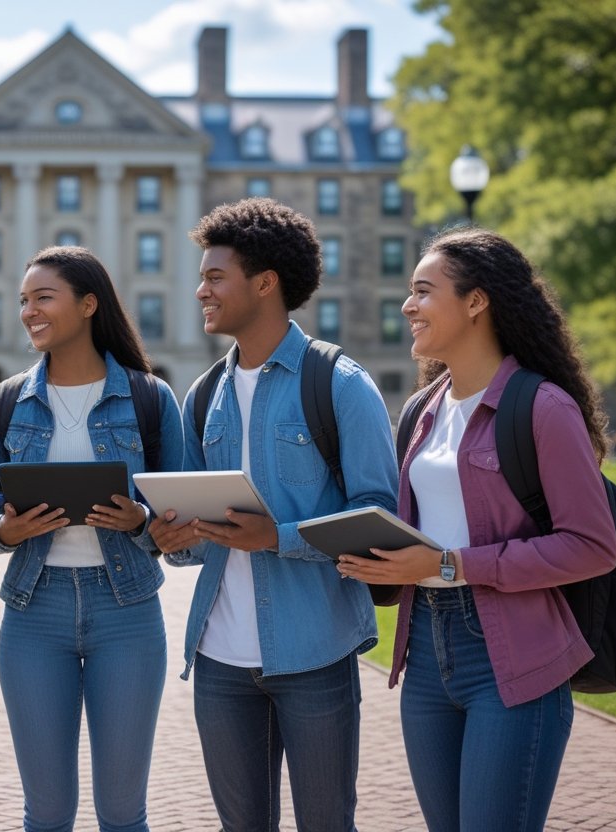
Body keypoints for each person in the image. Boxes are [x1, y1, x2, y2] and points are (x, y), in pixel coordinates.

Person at [337, 227, 616, 832]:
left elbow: (593, 546)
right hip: (427, 660)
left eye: (422, 291)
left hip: (516, 659)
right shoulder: (421, 412)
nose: (407, 306)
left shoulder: (542, 407)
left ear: (475, 301)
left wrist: (448, 565)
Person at [149, 197, 399, 832]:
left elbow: (378, 516)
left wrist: (278, 538)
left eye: (214, 276)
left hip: (315, 653)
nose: (199, 288)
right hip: (218, 661)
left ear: (265, 284)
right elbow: (200, 538)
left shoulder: (339, 383)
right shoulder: (202, 395)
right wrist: (170, 536)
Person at [0, 246, 184, 832]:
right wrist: (6, 531)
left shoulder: (150, 399)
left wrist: (141, 523)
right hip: (35, 614)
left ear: (88, 304)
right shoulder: (4, 403)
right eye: (23, 302)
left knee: (121, 811)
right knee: (48, 812)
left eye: (43, 298)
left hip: (128, 612)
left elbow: (184, 531)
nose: (28, 311)